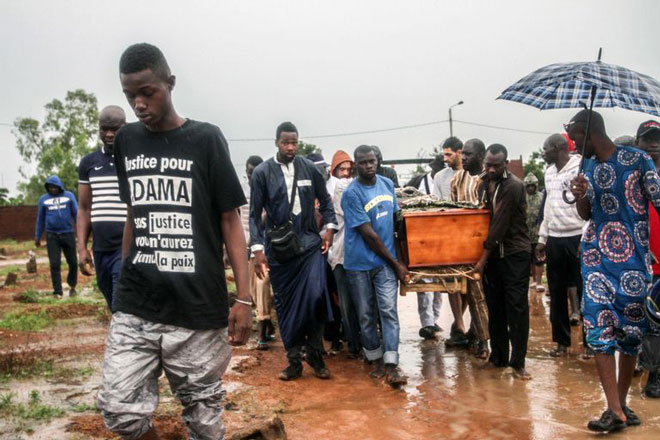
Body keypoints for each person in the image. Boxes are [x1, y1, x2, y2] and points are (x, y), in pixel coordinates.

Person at [97, 43, 251, 440]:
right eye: (130, 95)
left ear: (170, 83)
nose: (139, 104)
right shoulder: (127, 142)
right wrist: (125, 269)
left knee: (203, 422)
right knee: (120, 411)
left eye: (148, 92)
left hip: (197, 307)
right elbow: (134, 211)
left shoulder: (206, 139)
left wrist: (245, 298)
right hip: (138, 301)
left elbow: (230, 221)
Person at [568, 110, 660, 431]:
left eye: (577, 138)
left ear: (591, 132)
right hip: (595, 258)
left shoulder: (637, 160)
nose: (575, 146)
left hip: (634, 261)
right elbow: (585, 214)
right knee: (597, 330)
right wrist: (581, 195)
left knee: (630, 336)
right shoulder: (587, 166)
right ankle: (614, 409)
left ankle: (620, 405)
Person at [250, 121, 337, 381]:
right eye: (285, 142)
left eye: (294, 142)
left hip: (309, 244)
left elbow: (327, 201)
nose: (290, 147)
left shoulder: (309, 168)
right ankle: (293, 361)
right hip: (280, 250)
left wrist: (330, 230)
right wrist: (257, 251)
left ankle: (315, 352)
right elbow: (255, 215)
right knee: (286, 306)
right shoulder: (262, 173)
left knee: (315, 296)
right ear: (276, 142)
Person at [342, 145, 408, 387]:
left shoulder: (387, 185)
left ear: (378, 161)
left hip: (385, 264)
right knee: (367, 315)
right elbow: (369, 234)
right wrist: (396, 263)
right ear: (355, 165)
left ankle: (391, 363)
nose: (369, 166)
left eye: (372, 161)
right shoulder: (351, 194)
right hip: (359, 264)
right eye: (363, 162)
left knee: (388, 311)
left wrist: (402, 259)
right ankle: (374, 358)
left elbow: (396, 222)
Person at [474, 144, 532, 380]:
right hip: (494, 255)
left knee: (517, 308)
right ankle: (498, 357)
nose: (491, 169)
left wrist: (481, 259)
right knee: (495, 307)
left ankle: (518, 363)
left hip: (514, 253)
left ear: (506, 164)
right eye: (488, 164)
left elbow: (500, 223)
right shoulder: (483, 181)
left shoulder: (514, 186)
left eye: (496, 165)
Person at [535, 134, 585, 358]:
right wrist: (542, 238)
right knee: (555, 292)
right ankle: (562, 343)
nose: (543, 152)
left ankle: (591, 344)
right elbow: (548, 207)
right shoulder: (548, 172)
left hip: (577, 237)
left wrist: (586, 239)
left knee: (585, 292)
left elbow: (589, 206)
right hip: (555, 238)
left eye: (545, 148)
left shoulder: (581, 168)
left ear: (557, 148)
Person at [77, 105, 127, 308]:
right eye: (104, 129)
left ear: (125, 127)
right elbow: (84, 209)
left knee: (119, 299)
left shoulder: (134, 159)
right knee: (108, 295)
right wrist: (82, 248)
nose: (109, 134)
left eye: (115, 129)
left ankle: (121, 339)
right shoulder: (89, 163)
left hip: (126, 246)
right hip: (101, 247)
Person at [447, 139, 490, 358]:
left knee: (483, 296)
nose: (463, 158)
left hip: (487, 247)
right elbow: (453, 213)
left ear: (481, 155)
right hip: (465, 246)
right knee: (472, 293)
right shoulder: (457, 180)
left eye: (469, 155)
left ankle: (482, 338)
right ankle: (477, 337)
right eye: (463, 154)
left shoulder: (487, 180)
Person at [634, 119, 660, 398]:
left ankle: (655, 375)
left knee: (657, 321)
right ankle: (642, 360)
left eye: (657, 139)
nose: (653, 144)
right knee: (637, 321)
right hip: (636, 262)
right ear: (638, 143)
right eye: (647, 139)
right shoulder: (631, 179)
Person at [327, 151, 362, 358]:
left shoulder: (352, 185)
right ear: (334, 170)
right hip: (339, 252)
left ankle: (358, 340)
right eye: (342, 169)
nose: (346, 173)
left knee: (359, 301)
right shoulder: (337, 187)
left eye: (349, 169)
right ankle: (352, 341)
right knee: (345, 302)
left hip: (355, 252)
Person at [243, 155, 275, 350]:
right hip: (247, 248)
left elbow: (264, 219)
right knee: (254, 290)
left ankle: (263, 331)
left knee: (263, 286)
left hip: (267, 247)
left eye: (255, 172)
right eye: (249, 172)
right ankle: (267, 325)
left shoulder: (270, 190)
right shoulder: (241, 191)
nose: (252, 175)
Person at [414, 155, 446, 341]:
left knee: (438, 280)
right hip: (423, 236)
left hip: (440, 237)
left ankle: (434, 318)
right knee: (424, 281)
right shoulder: (422, 182)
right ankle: (426, 322)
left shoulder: (445, 180)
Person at [35, 175, 78, 298]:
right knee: (54, 264)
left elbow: (77, 214)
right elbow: (40, 219)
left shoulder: (69, 196)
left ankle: (72, 285)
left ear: (60, 186)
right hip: (52, 236)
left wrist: (82, 232)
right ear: (47, 188)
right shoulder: (43, 199)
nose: (53, 189)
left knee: (73, 263)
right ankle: (58, 291)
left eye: (55, 187)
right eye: (50, 187)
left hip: (68, 233)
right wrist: (37, 237)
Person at [524, 173, 545, 292]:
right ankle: (533, 281)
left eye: (532, 186)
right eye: (528, 186)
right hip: (526, 233)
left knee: (538, 257)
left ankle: (539, 282)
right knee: (530, 257)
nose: (530, 188)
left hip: (538, 232)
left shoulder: (541, 197)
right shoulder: (523, 197)